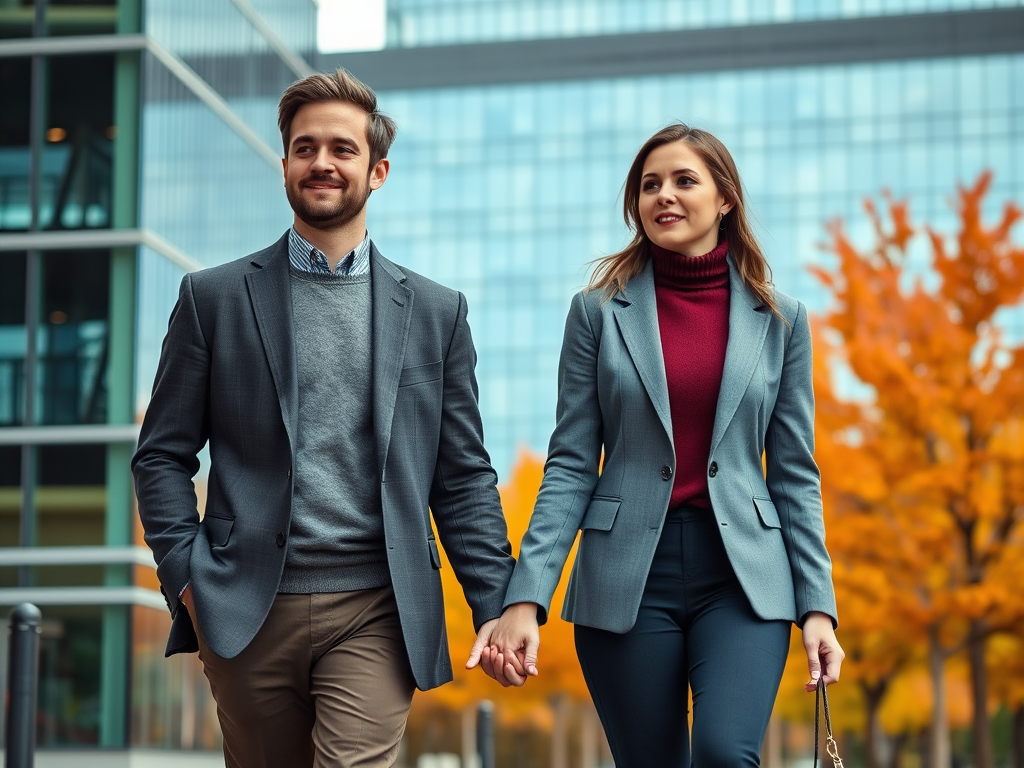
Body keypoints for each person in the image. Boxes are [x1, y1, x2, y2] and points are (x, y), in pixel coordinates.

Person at [132, 67, 515, 768]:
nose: (322, 163)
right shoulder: (211, 298)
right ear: (284, 165)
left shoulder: (435, 313)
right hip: (244, 605)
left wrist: (495, 601)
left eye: (342, 149)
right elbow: (161, 454)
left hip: (378, 604)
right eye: (305, 148)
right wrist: (186, 578)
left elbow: (460, 477)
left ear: (378, 171)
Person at [474, 124, 844, 766]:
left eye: (683, 180)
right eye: (649, 185)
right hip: (626, 580)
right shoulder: (596, 312)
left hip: (743, 577)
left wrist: (818, 608)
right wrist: (525, 599)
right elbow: (568, 464)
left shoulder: (781, 319)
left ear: (725, 198)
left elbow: (794, 475)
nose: (663, 196)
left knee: (728, 755)